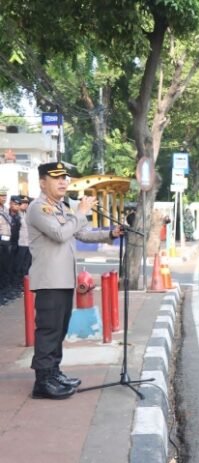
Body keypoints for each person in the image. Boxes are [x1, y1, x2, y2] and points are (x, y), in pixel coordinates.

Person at [27, 162, 124, 400]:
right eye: (56, 178)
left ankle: (53, 372)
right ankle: (42, 382)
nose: (63, 182)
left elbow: (81, 233)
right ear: (42, 182)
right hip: (49, 281)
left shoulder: (61, 207)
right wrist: (80, 212)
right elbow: (60, 234)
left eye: (65, 178)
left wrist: (110, 233)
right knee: (48, 330)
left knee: (59, 330)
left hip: (64, 279)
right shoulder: (38, 208)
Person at [0, 187, 13, 305]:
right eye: (1, 196)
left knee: (6, 268)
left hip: (7, 241)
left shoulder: (5, 209)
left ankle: (4, 293)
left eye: (5, 196)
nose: (4, 198)